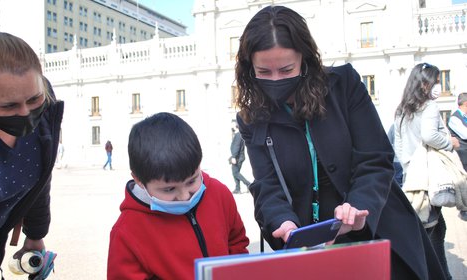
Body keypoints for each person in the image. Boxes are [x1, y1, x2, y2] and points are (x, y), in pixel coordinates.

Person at [235, 6, 446, 279]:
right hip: (311, 246)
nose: (276, 80)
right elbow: (266, 185)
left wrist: (358, 206)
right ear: (249, 68)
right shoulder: (252, 118)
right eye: (263, 72)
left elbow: (375, 158)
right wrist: (283, 222)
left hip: (376, 227)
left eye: (286, 69)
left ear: (305, 59)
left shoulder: (343, 85)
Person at [0, 32, 64, 279]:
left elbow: (40, 180)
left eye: (34, 99)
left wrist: (36, 235)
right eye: (9, 106)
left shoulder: (46, 114)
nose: (25, 113)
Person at [107, 112, 249, 280]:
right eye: (169, 190)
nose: (184, 196)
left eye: (191, 181)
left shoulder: (219, 194)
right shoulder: (126, 232)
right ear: (139, 180)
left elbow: (237, 242)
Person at [394, 63, 456, 279]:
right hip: (429, 178)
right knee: (433, 232)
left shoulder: (402, 110)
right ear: (424, 83)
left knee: (432, 230)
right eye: (436, 81)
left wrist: (410, 167)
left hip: (413, 179)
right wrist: (450, 143)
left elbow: (399, 146)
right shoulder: (429, 107)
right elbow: (430, 136)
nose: (438, 86)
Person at [447, 92, 467, 221]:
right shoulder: (455, 118)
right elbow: (465, 134)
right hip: (463, 157)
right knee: (464, 184)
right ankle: (464, 210)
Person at [230, 120, 251, 194]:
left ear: (236, 126)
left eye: (232, 124)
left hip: (237, 157)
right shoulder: (238, 134)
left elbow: (236, 146)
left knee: (235, 173)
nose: (231, 126)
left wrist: (233, 157)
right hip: (238, 157)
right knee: (235, 172)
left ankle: (248, 184)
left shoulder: (238, 135)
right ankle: (237, 188)